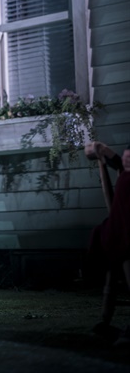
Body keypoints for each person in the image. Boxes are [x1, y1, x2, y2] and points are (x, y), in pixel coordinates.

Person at [84, 140, 130, 346]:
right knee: (111, 276)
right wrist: (98, 152)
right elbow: (93, 149)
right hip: (117, 231)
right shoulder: (122, 170)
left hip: (126, 235)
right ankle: (105, 321)